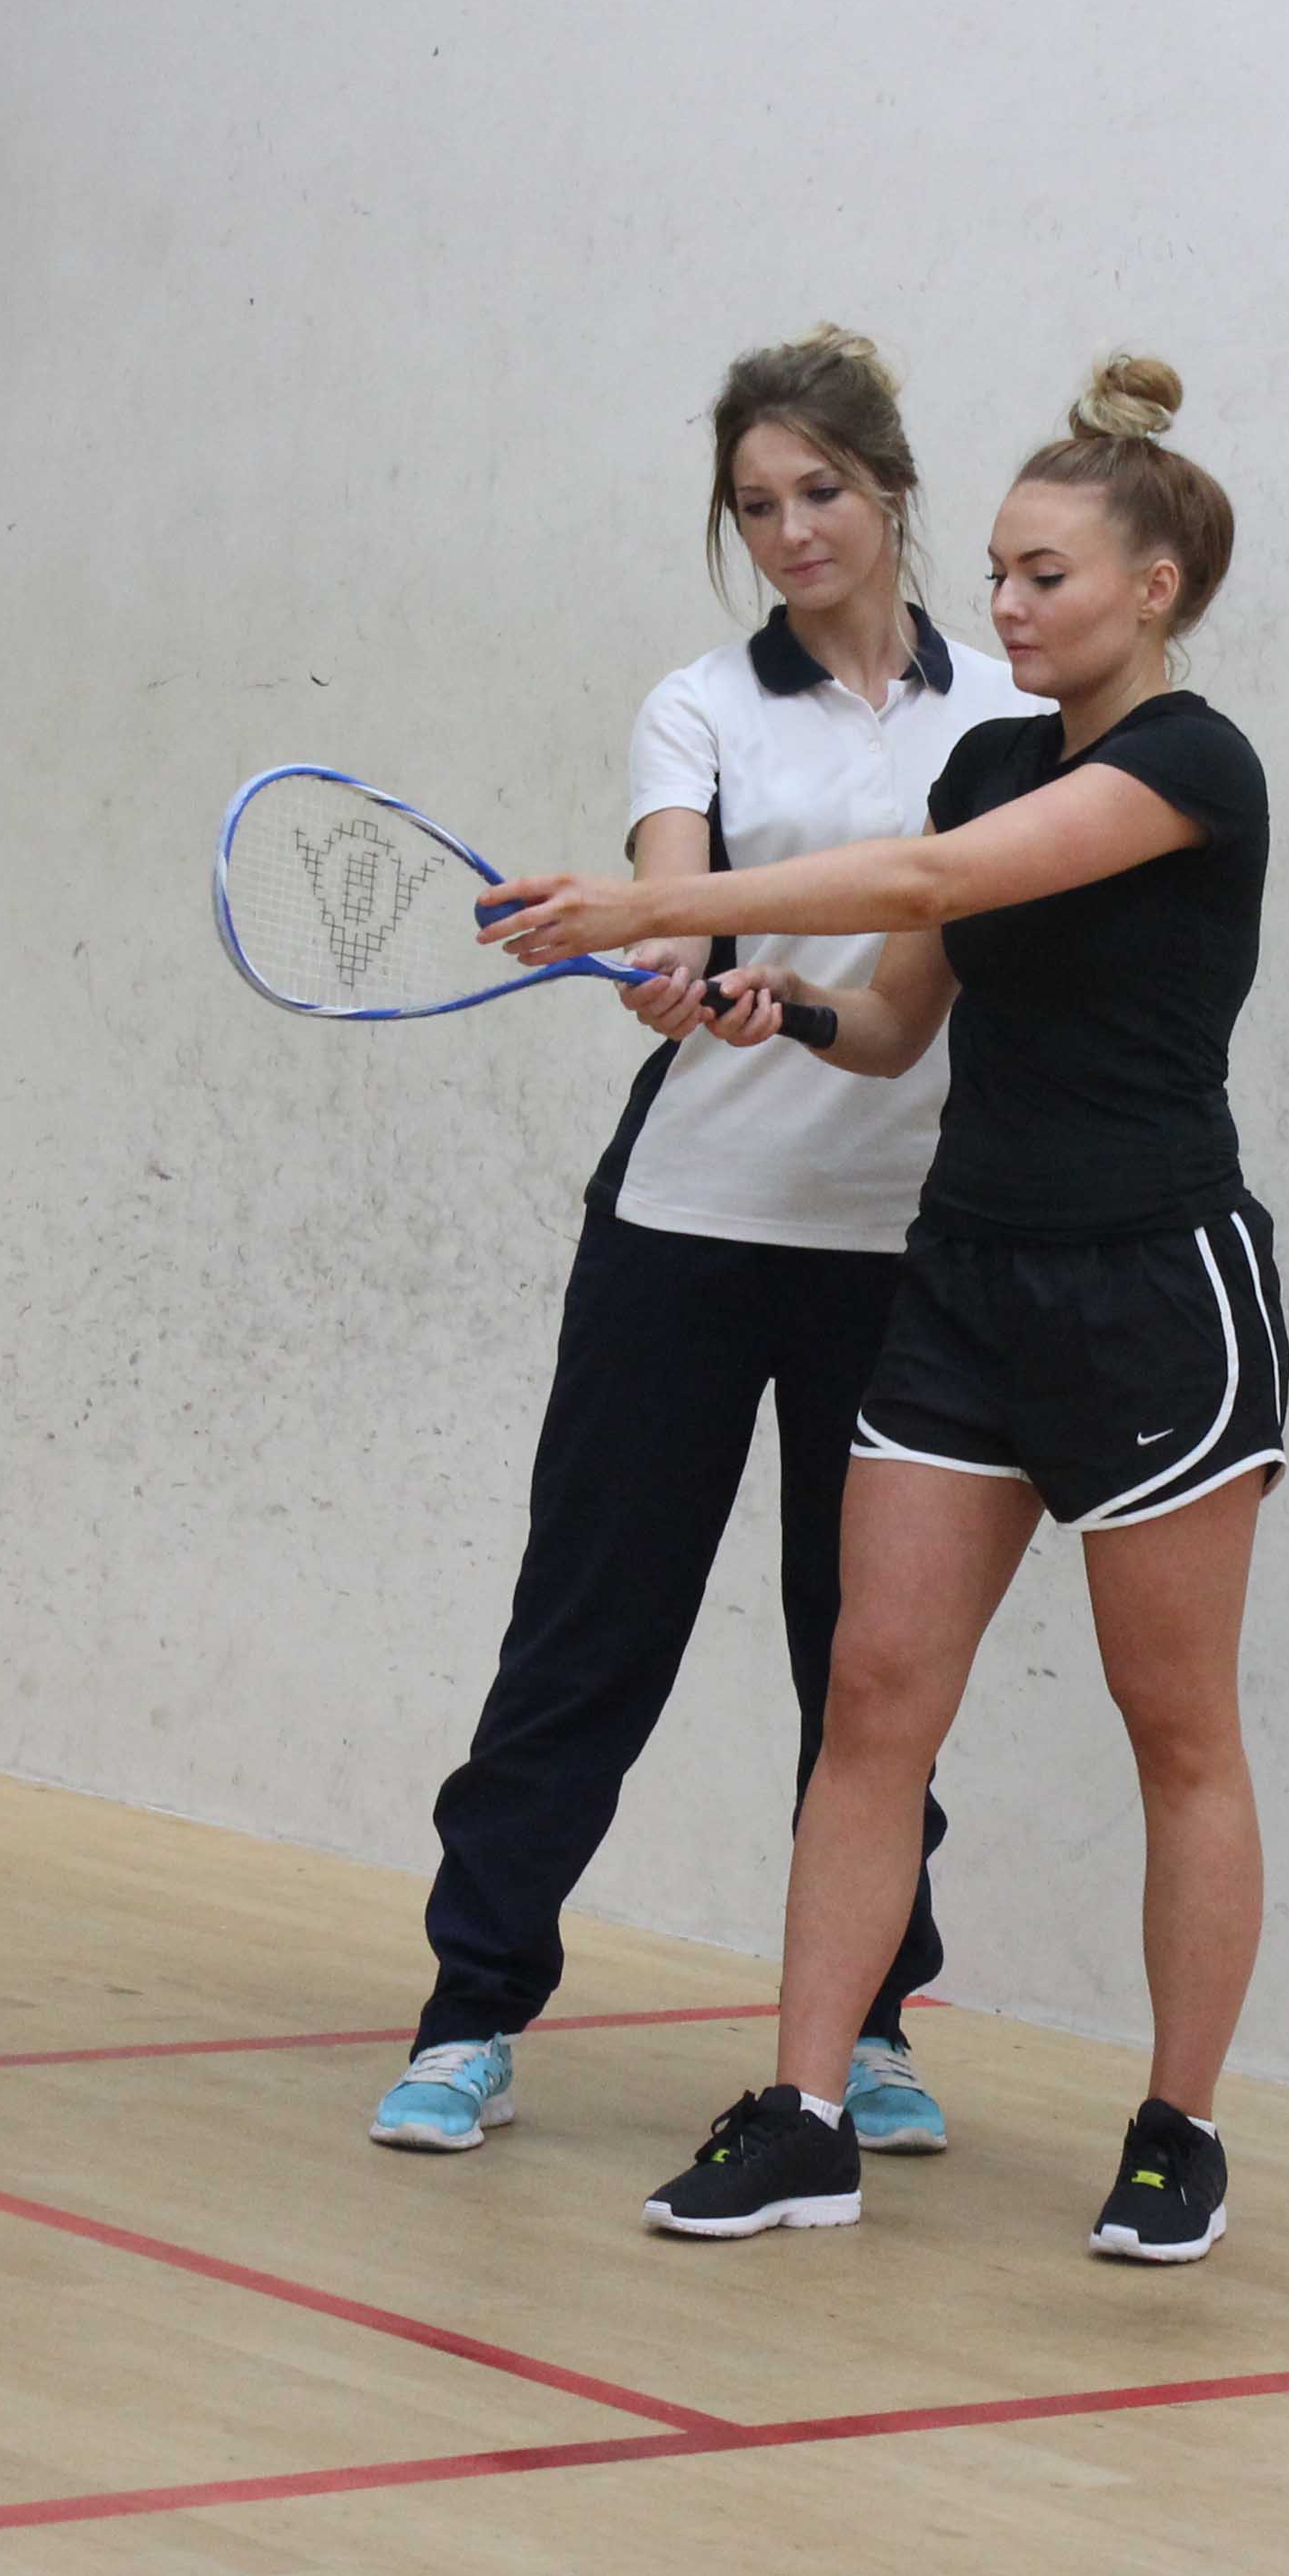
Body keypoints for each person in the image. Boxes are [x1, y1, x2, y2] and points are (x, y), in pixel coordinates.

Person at [483, 353, 1281, 2263]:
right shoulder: (990, 755)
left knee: (1175, 1727)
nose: (1006, 605)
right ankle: (806, 2113)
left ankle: (1177, 2129)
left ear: (1154, 587)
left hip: (1151, 1290)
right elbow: (903, 1017)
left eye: (1045, 578)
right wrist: (783, 1006)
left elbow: (935, 877)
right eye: (998, 572)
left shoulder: (1193, 766)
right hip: (965, 1284)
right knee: (870, 1700)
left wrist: (653, 911)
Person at [374, 327, 1028, 2157]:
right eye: (754, 505)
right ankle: (470, 2012)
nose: (791, 531)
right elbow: (675, 890)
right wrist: (665, 958)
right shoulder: (700, 706)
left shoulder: (1004, 716)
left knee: (869, 1663)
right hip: (687, 1229)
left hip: (908, 1251)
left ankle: (870, 2025)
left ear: (894, 489)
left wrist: (760, 964)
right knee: (590, 1632)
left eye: (821, 491)